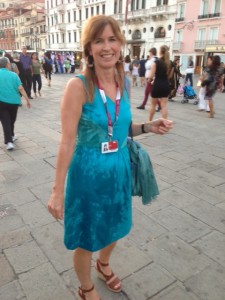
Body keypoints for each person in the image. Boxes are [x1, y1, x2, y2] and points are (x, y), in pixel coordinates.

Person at [47, 15, 173, 300]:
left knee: (116, 226)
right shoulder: (78, 87)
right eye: (99, 40)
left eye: (112, 39)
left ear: (121, 44)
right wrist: (57, 191)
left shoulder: (124, 81)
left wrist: (148, 127)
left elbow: (119, 127)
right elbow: (67, 141)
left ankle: (104, 264)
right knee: (87, 237)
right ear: (89, 48)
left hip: (118, 170)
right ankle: (86, 287)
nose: (107, 47)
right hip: (88, 174)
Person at [0, 57, 31, 150]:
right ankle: (9, 140)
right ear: (7, 65)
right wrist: (27, 99)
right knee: (11, 120)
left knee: (6, 122)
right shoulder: (14, 75)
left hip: (1, 103)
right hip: (13, 102)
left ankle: (10, 138)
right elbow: (20, 88)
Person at [149, 45, 171, 121]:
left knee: (153, 105)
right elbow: (170, 76)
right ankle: (164, 122)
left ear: (160, 52)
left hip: (157, 84)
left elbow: (151, 76)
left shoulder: (156, 62)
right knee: (164, 105)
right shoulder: (169, 63)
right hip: (165, 85)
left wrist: (149, 80)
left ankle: (149, 121)